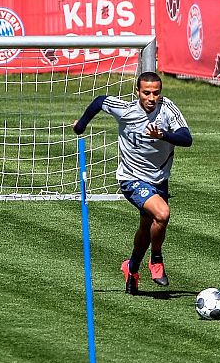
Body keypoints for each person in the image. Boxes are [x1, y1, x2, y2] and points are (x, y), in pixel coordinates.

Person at [73, 72, 192, 295]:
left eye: (156, 93)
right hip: (131, 178)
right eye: (146, 93)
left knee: (147, 227)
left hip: (159, 179)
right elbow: (100, 101)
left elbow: (187, 138)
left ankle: (132, 268)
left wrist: (164, 135)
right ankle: (156, 259)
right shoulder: (126, 110)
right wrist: (81, 125)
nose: (151, 98)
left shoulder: (167, 109)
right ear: (137, 92)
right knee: (162, 214)